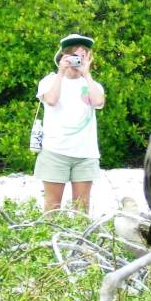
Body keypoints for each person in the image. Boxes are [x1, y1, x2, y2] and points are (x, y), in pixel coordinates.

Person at [34, 34, 105, 212]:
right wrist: (61, 72)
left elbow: (98, 102)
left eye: (83, 55)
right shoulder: (49, 81)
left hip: (85, 153)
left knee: (82, 208)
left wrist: (86, 74)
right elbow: (51, 99)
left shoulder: (92, 84)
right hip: (55, 152)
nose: (78, 60)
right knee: (52, 207)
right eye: (74, 55)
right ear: (64, 56)